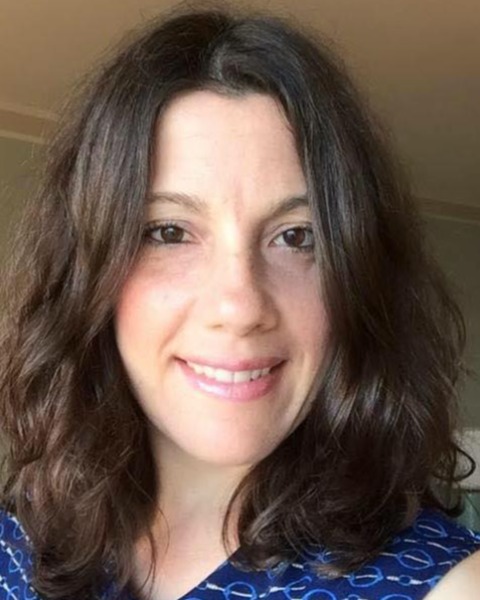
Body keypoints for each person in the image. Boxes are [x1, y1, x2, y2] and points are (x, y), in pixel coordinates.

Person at [0, 6, 479, 600]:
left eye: (297, 236)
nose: (240, 305)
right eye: (169, 231)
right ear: (87, 271)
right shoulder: (15, 547)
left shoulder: (447, 586)